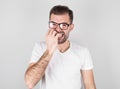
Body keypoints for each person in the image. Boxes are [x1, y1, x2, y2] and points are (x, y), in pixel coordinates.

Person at [25, 5, 96, 89]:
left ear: (71, 27)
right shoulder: (40, 48)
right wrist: (50, 50)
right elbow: (30, 83)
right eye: (53, 24)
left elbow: (89, 85)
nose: (58, 29)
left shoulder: (83, 52)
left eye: (63, 25)